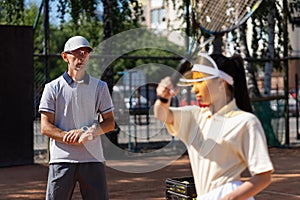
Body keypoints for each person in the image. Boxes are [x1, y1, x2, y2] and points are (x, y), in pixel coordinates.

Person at [154, 53, 274, 200]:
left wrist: (229, 198)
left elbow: (263, 176)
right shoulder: (194, 116)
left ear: (221, 82)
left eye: (200, 81)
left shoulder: (246, 121)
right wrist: (163, 98)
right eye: (193, 83)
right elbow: (161, 114)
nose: (194, 89)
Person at [39, 36, 115, 200]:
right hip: (62, 159)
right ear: (65, 56)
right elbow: (45, 126)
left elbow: (110, 122)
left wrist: (89, 132)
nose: (81, 57)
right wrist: (68, 137)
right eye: (76, 53)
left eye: (85, 53)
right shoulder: (52, 88)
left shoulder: (100, 87)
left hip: (93, 159)